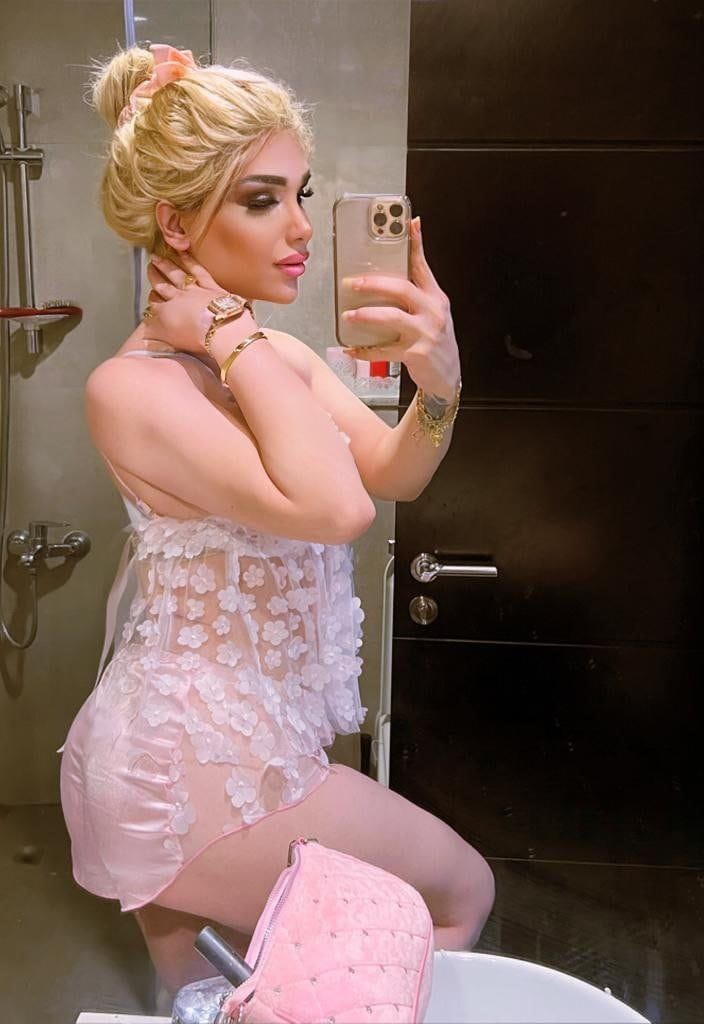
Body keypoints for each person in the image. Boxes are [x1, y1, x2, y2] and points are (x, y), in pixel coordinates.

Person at [58, 44, 494, 997]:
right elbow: (335, 509)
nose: (300, 227)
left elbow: (392, 472)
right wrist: (228, 331)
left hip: (248, 748)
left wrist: (441, 384)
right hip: (182, 770)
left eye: (302, 193)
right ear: (176, 222)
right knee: (460, 892)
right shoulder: (130, 389)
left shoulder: (276, 358)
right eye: (263, 200)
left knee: (214, 1002)